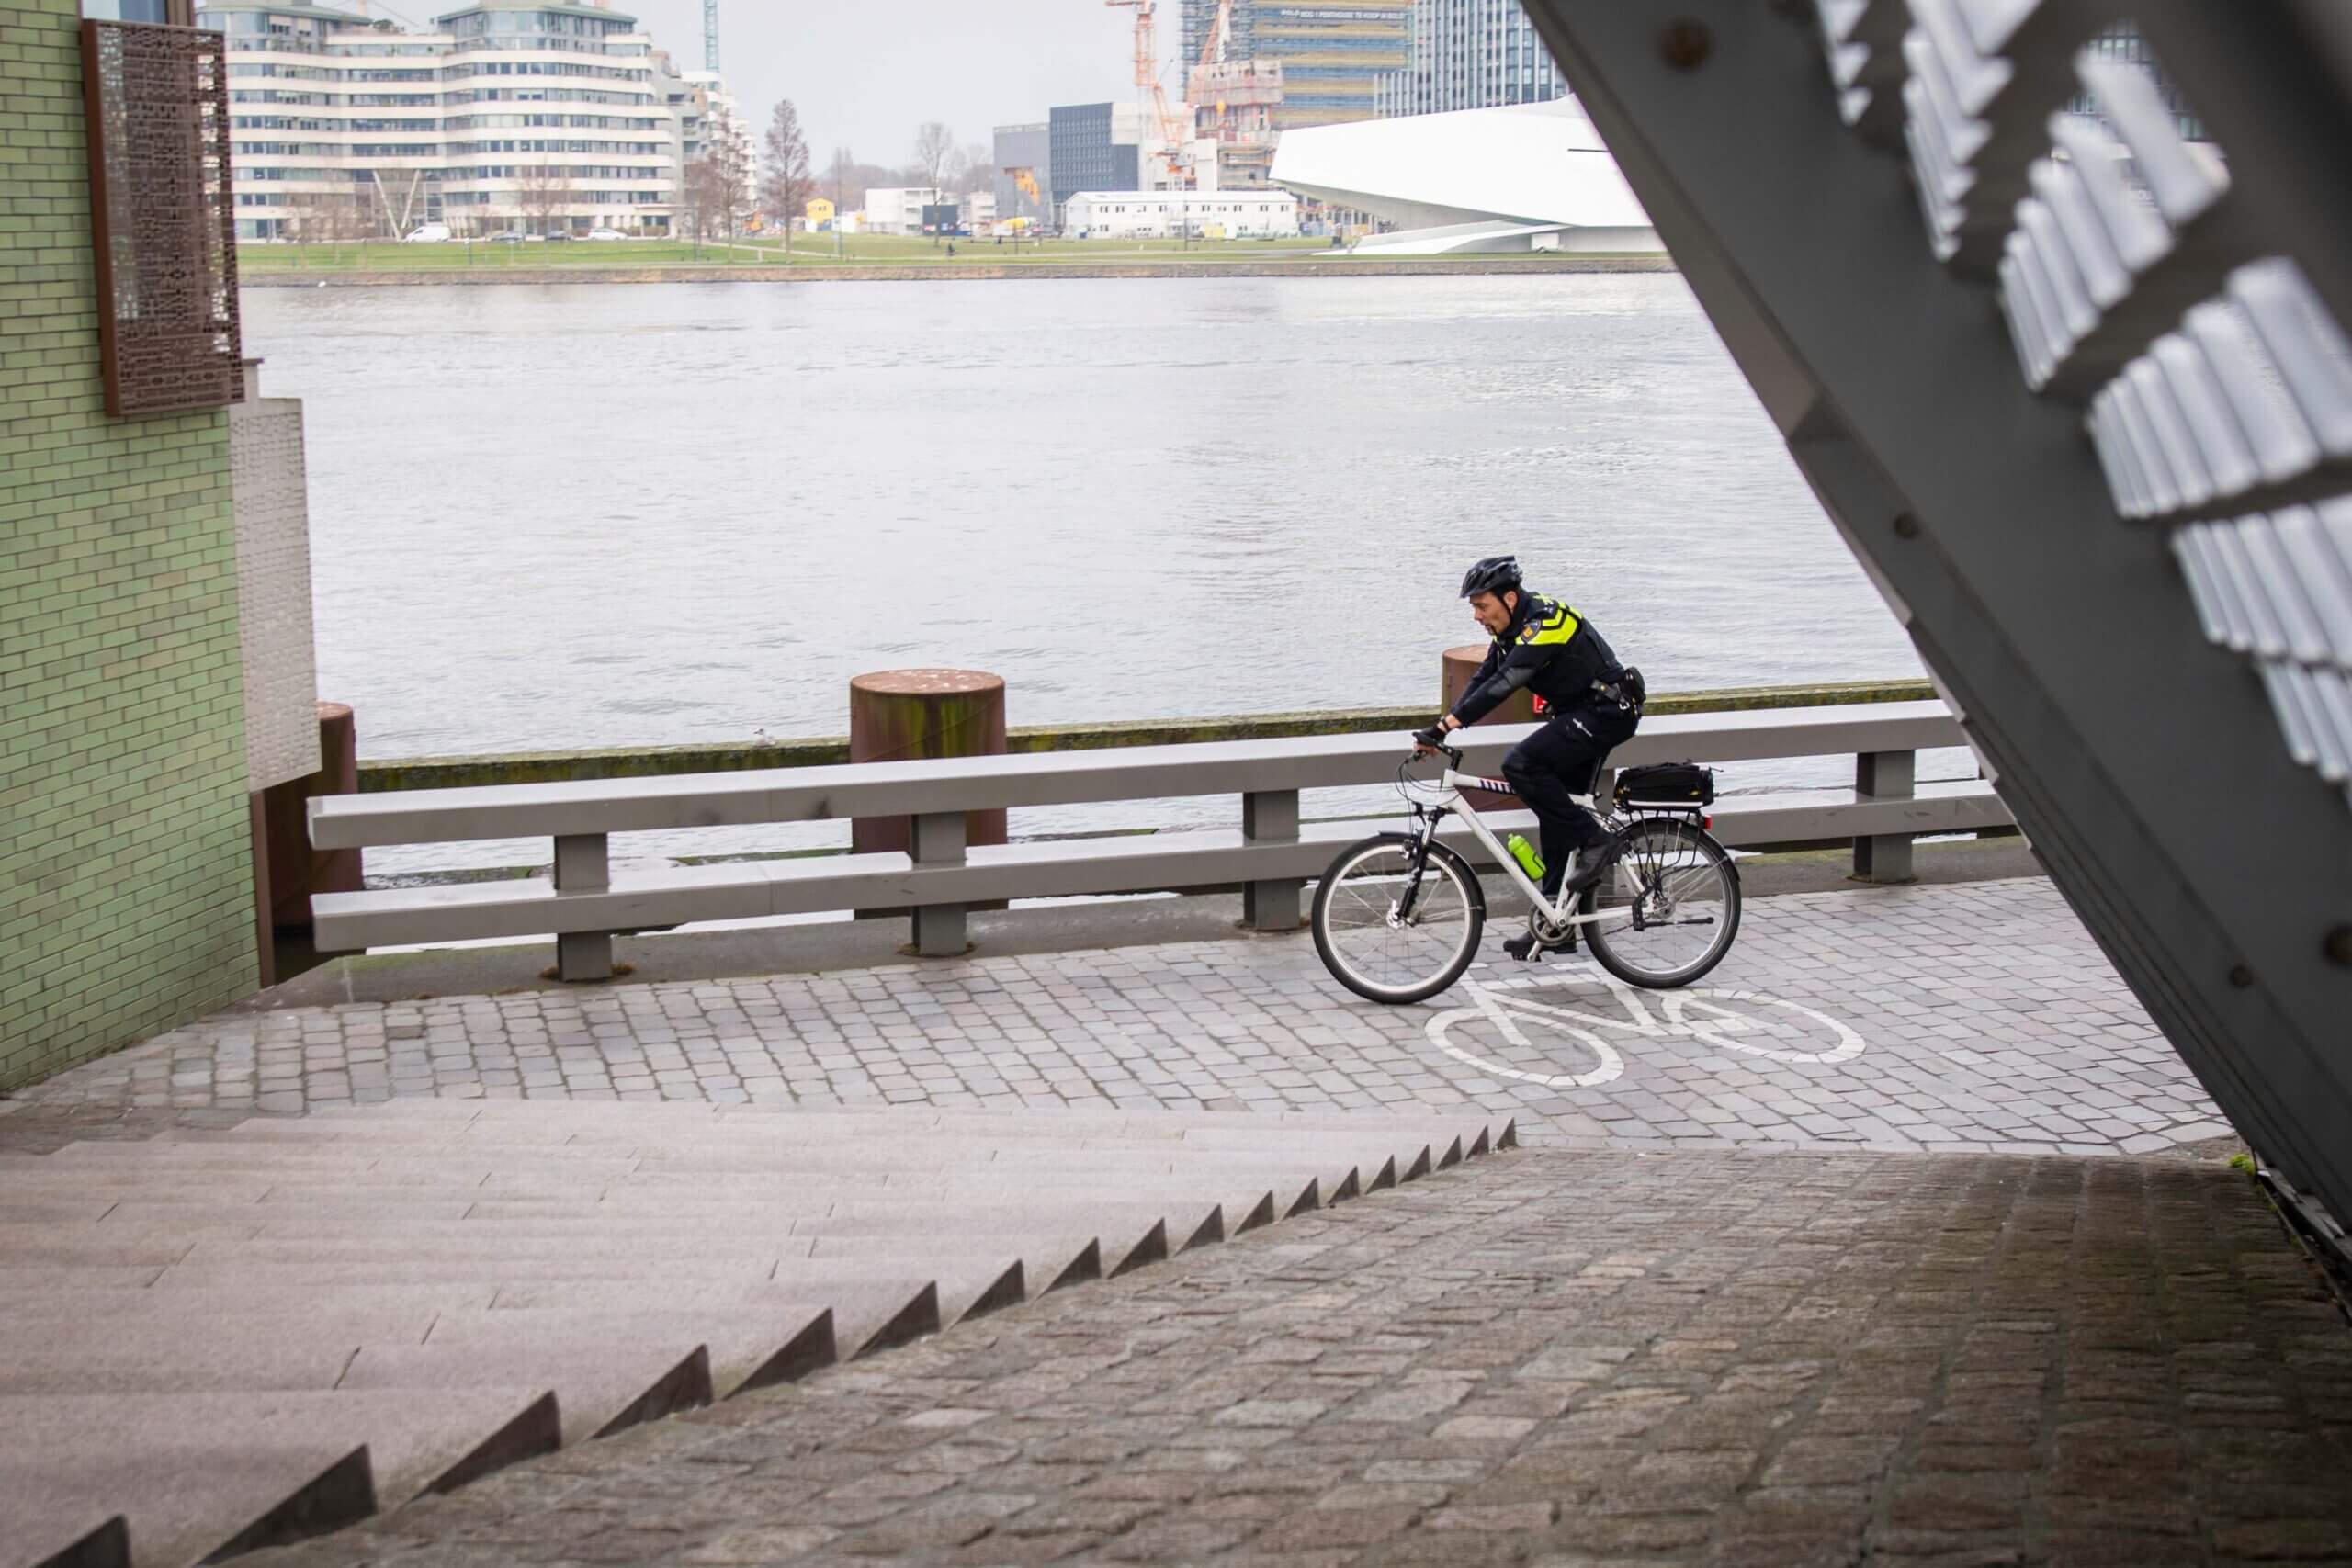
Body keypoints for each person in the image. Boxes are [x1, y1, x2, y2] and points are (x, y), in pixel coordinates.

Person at [1414, 554, 1644, 913]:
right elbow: (1484, 678)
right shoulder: (1508, 631)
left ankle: (1598, 841)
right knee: (1555, 815)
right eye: (1474, 608)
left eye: (1481, 606)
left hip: (1606, 712)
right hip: (1577, 714)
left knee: (1521, 765)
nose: (1476, 616)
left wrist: (1446, 726)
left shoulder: (1545, 621)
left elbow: (1507, 683)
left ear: (1508, 598)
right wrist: (1442, 727)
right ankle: (1556, 919)